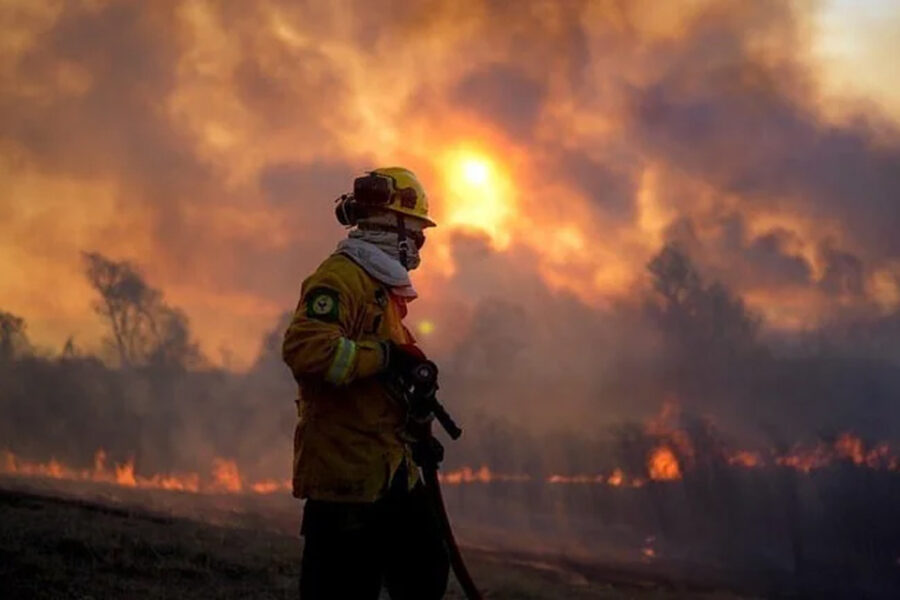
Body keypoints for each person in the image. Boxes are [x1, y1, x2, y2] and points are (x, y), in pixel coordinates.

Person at [282, 167, 450, 599]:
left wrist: (415, 431)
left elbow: (379, 387)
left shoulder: (381, 288)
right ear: (392, 227)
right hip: (346, 481)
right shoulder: (340, 279)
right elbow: (307, 350)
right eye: (417, 233)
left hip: (390, 471)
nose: (419, 246)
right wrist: (386, 356)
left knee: (426, 569)